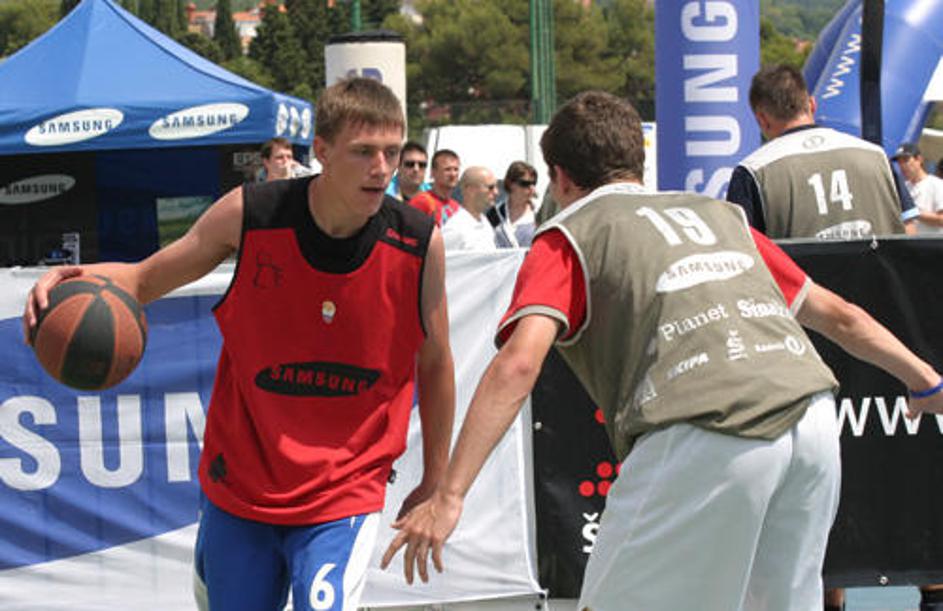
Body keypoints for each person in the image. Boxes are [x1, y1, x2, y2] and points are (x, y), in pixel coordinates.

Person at [380, 90, 943, 610]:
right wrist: (925, 379)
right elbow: (840, 315)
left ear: (560, 177)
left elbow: (519, 363)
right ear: (638, 161)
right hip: (812, 420)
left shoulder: (568, 235)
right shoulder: (720, 215)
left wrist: (450, 495)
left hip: (706, 427)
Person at [22, 77, 456, 611]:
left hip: (345, 487)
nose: (382, 168)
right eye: (363, 151)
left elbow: (436, 364)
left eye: (391, 151)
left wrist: (436, 480)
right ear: (321, 151)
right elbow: (143, 279)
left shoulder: (418, 242)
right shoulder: (252, 214)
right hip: (242, 483)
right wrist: (68, 284)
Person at [727, 64, 916, 239]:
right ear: (811, 105)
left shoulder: (753, 172)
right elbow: (908, 229)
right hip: (878, 267)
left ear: (762, 119)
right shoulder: (876, 156)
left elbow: (742, 249)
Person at [442, 166, 499, 252]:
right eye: (490, 187)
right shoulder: (455, 229)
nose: (496, 192)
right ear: (470, 190)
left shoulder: (485, 222)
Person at [892, 142, 943, 235]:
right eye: (899, 162)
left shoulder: (937, 185)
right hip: (909, 242)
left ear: (919, 159)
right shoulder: (903, 187)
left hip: (933, 243)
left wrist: (913, 213)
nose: (902, 165)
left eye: (906, 160)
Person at [490, 161, 538, 247]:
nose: (531, 188)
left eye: (533, 183)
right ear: (511, 184)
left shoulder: (538, 214)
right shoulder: (494, 214)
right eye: (525, 184)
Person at [408, 149, 461, 226]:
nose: (453, 174)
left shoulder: (456, 207)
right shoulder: (422, 202)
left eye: (456, 169)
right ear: (433, 172)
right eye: (447, 169)